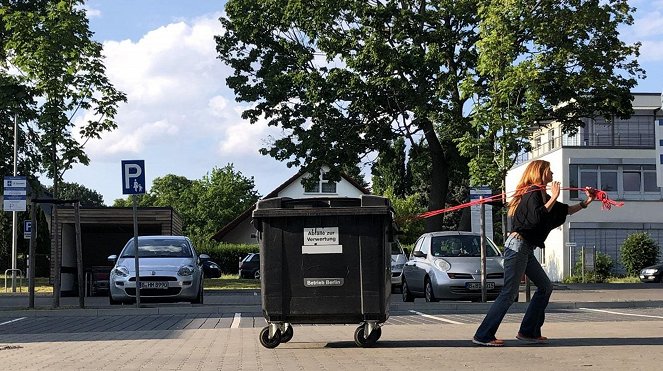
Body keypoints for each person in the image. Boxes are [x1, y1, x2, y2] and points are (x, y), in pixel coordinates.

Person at [472, 159, 595, 347]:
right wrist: (553, 197)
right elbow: (536, 218)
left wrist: (587, 201)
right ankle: (483, 334)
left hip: (525, 248)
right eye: (549, 171)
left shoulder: (541, 195)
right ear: (540, 172)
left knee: (545, 286)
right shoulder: (532, 192)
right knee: (509, 293)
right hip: (517, 245)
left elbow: (566, 211)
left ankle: (528, 332)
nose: (553, 174)